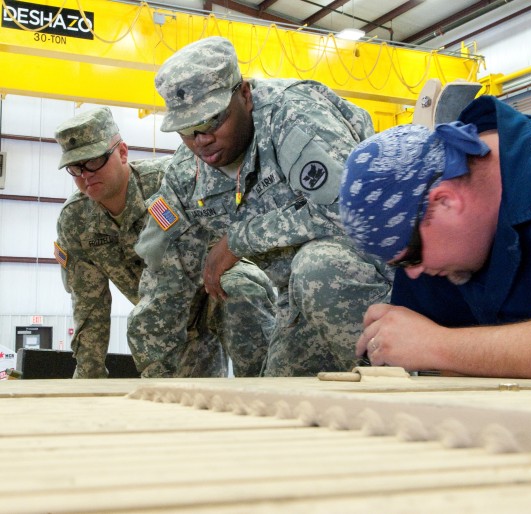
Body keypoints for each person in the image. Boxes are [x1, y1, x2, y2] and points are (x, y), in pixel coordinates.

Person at [131, 36, 392, 377]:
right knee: (281, 390)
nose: (201, 140)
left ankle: (411, 379)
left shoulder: (295, 114)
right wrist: (154, 374)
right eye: (186, 130)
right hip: (300, 298)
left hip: (379, 276)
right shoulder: (185, 177)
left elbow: (350, 208)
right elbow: (165, 272)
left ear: (245, 95)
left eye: (211, 120)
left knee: (319, 265)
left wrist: (241, 239)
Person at [339, 95, 531, 382]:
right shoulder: (428, 239)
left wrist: (438, 346)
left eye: (411, 258)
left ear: (445, 201)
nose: (414, 272)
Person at [54, 107, 273, 378]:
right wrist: (88, 377)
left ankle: (265, 391)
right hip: (166, 318)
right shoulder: (76, 220)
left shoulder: (169, 181)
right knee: (184, 401)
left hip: (213, 289)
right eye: (75, 167)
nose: (85, 174)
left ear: (122, 152)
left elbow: (239, 224)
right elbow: (89, 306)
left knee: (243, 290)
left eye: (95, 161)